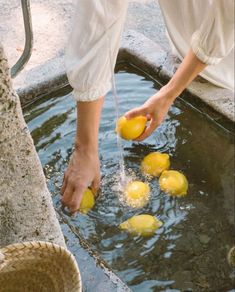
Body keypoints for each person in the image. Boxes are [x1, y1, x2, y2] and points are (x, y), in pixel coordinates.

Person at [61, 0, 234, 213]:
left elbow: (227, 19)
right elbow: (98, 17)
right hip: (192, 56)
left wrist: (170, 92)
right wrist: (85, 147)